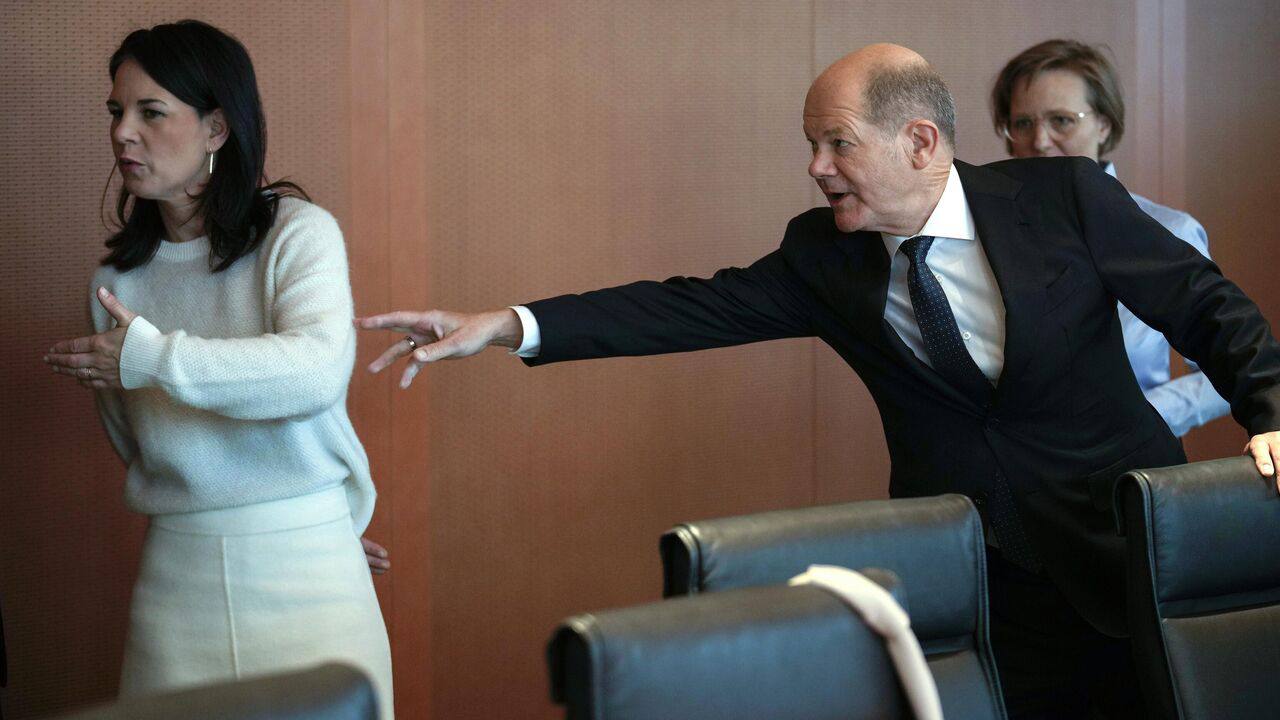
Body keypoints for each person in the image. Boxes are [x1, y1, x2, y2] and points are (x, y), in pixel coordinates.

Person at [357, 44, 1280, 718]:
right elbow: (685, 308)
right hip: (971, 580)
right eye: (812, 144)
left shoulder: (1063, 198)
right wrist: (507, 325)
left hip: (1125, 555)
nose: (815, 168)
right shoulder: (824, 256)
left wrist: (1270, 415)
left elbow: (1204, 304)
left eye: (836, 143)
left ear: (920, 141)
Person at [43, 21, 393, 717]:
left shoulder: (298, 233)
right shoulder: (116, 281)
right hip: (178, 579)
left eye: (151, 112)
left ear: (216, 128)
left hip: (312, 570)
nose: (122, 133)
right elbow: (137, 439)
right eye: (116, 111)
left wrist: (153, 357)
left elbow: (316, 370)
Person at [992, 39, 1230, 438]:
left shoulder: (1168, 231)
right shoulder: (987, 236)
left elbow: (1224, 368)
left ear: (1103, 124)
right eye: (1023, 124)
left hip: (1136, 461)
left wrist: (1143, 417)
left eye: (1061, 120)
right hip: (1018, 463)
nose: (1041, 141)